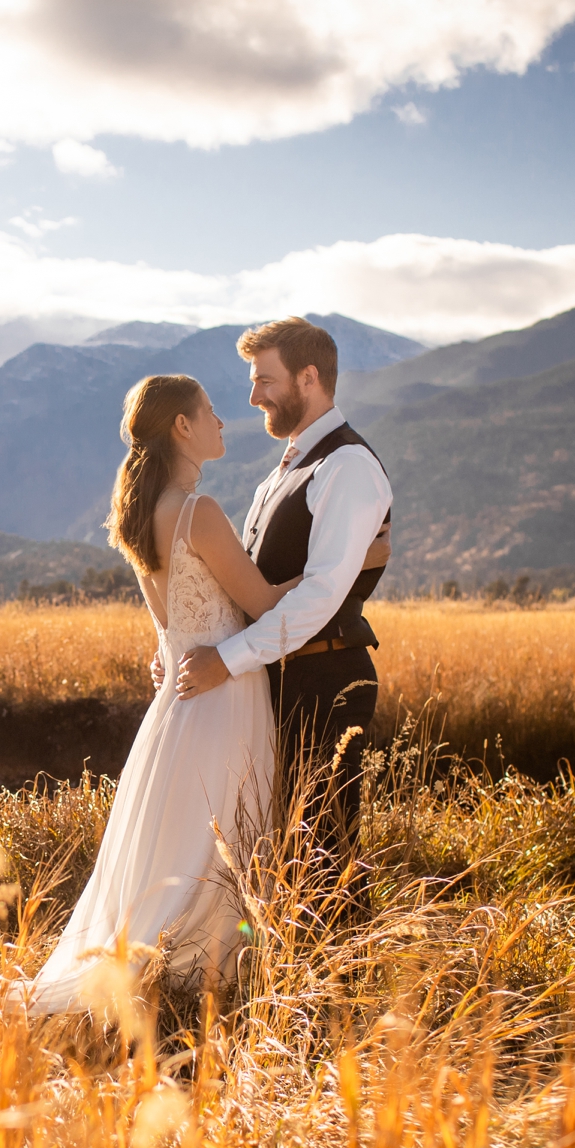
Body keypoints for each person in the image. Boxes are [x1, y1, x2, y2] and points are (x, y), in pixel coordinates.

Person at [0, 373, 300, 1020]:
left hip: (180, 705)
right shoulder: (200, 512)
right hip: (224, 697)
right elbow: (263, 605)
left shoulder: (143, 517)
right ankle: (210, 971)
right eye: (211, 412)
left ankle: (177, 971)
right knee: (222, 829)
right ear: (182, 427)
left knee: (183, 840)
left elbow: (169, 632)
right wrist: (351, 563)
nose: (224, 421)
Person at [173, 318, 392, 888]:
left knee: (322, 853)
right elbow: (252, 582)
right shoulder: (291, 467)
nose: (252, 397)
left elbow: (321, 593)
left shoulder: (347, 466)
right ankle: (290, 970)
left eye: (264, 381)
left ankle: (341, 978)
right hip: (280, 678)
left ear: (309, 377)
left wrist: (227, 659)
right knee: (282, 848)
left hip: (325, 680)